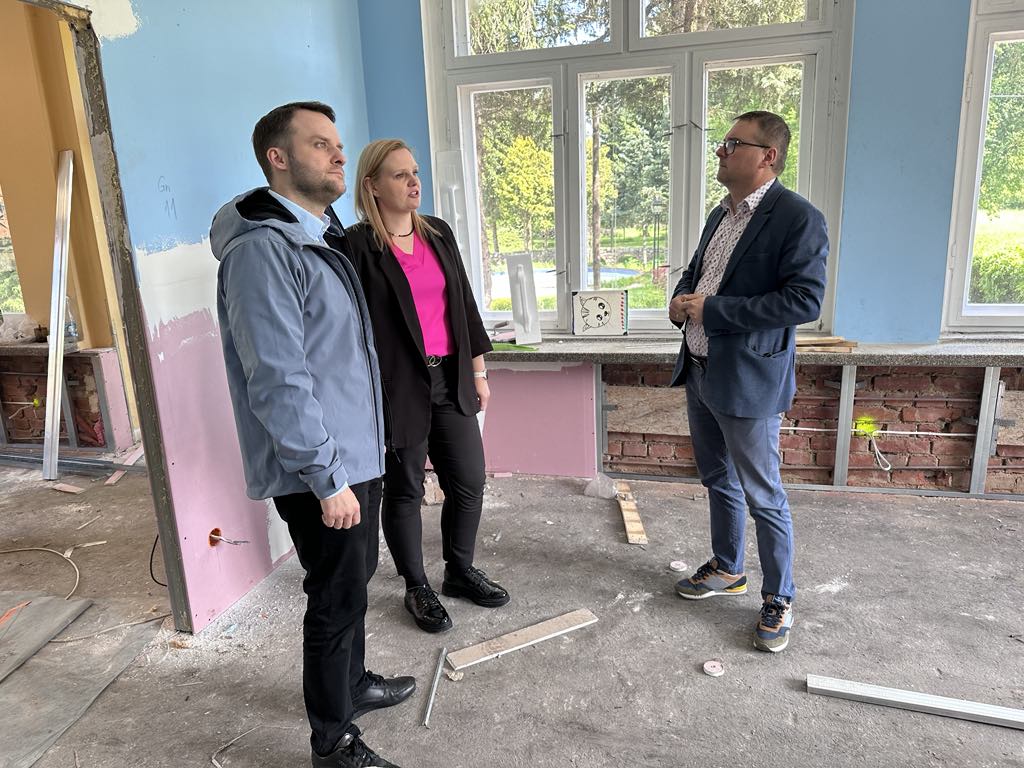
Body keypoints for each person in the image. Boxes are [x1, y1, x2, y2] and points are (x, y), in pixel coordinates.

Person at [211, 102, 414, 768]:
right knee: (333, 597)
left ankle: (352, 686)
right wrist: (327, 478)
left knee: (354, 584)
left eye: (337, 143)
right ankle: (333, 741)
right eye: (320, 144)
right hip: (320, 468)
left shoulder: (317, 234)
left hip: (354, 455)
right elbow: (278, 378)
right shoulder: (262, 250)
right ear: (279, 158)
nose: (338, 155)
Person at [668, 110, 828, 654]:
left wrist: (712, 310)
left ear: (768, 156)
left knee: (764, 494)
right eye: (723, 142)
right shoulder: (721, 213)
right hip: (700, 367)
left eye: (733, 143)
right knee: (717, 477)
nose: (721, 150)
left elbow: (803, 300)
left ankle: (779, 596)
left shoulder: (797, 217)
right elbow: (699, 273)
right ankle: (728, 566)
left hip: (749, 378)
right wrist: (680, 299)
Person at [342, 139, 509, 634]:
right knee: (405, 489)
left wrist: (478, 371)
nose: (414, 182)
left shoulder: (438, 233)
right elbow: (348, 329)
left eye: (414, 172)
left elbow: (465, 305)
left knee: (469, 479)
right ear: (372, 186)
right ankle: (416, 586)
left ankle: (459, 570)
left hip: (451, 376)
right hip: (396, 387)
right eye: (400, 175)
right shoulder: (356, 245)